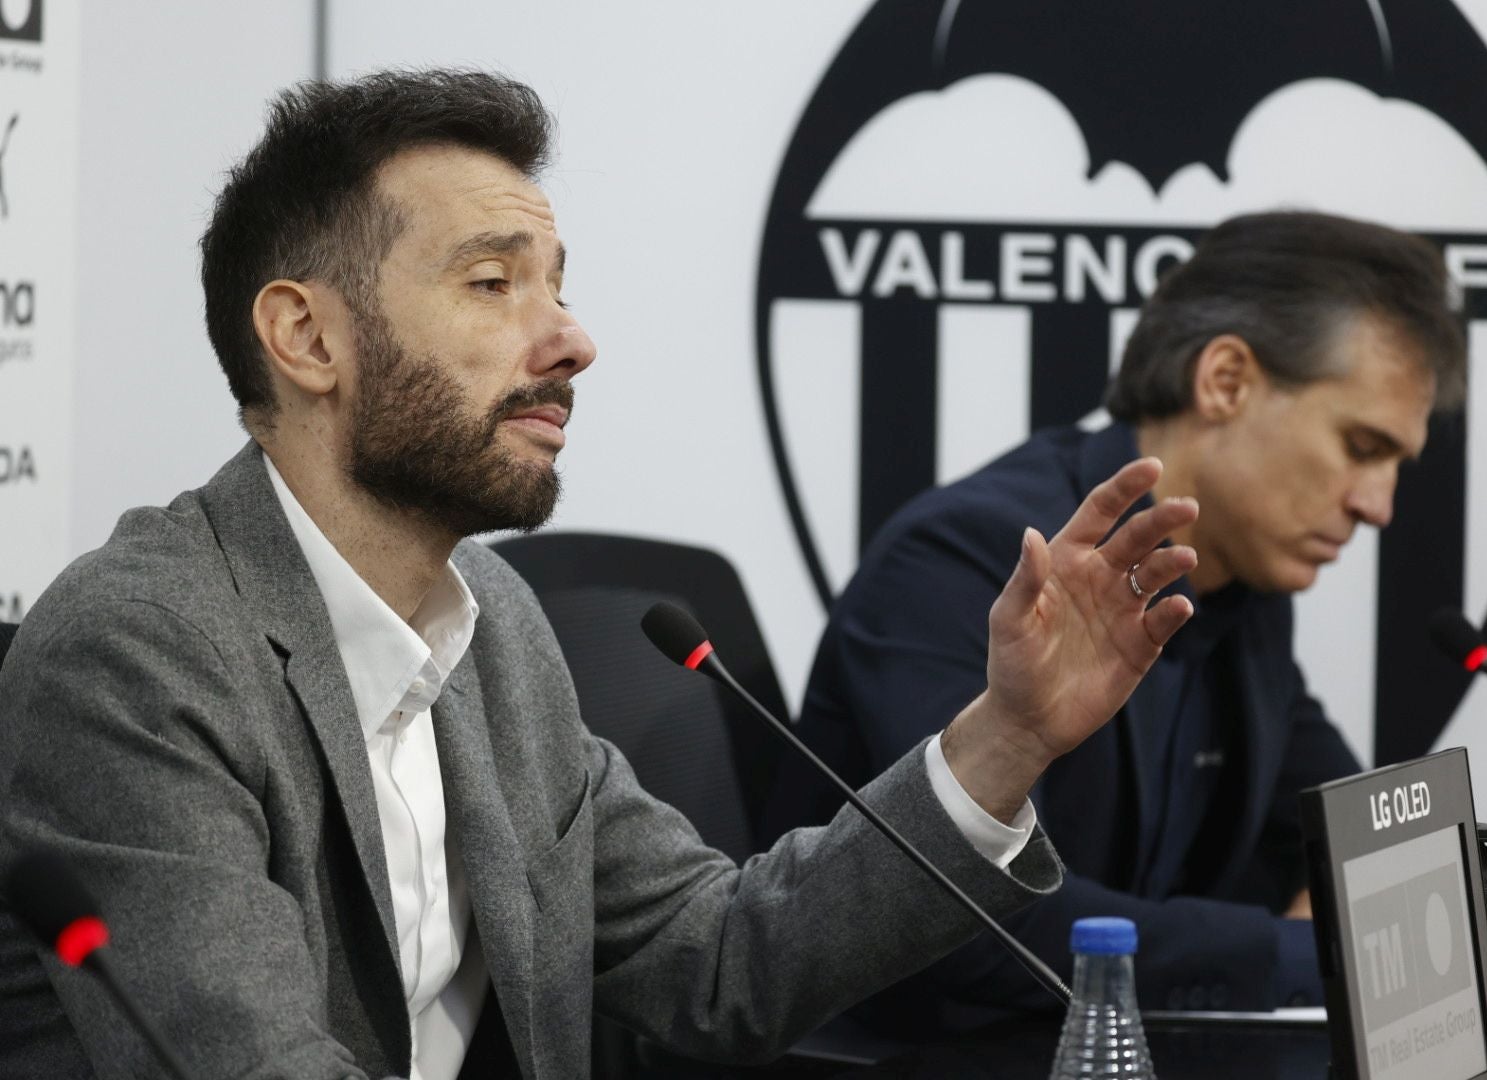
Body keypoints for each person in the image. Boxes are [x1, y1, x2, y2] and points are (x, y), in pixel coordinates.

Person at [0, 70, 1201, 1079]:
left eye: (558, 284)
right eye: (493, 282)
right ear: (308, 337)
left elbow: (717, 959)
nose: (571, 339)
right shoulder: (140, 652)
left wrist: (1009, 734)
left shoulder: (497, 632)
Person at [760, 211, 1467, 1031]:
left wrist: (1368, 903)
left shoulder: (1242, 586)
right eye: (1360, 445)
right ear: (1227, 380)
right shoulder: (976, 560)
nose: (1377, 506)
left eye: (1395, 467)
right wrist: (1315, 957)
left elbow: (1358, 836)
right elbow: (978, 923)